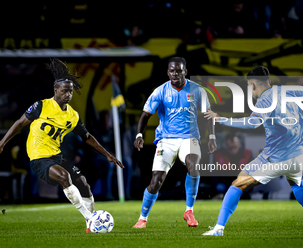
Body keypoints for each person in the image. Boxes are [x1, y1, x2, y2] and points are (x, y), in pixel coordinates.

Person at [202, 65, 303, 236]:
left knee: (237, 184)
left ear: (252, 85)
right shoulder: (289, 91)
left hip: (276, 158)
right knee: (296, 182)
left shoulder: (265, 101)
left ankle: (218, 229)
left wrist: (220, 119)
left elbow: (252, 123)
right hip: (298, 155)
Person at [0, 58, 124, 233]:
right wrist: (2, 142)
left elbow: (87, 137)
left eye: (71, 91)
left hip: (56, 155)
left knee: (83, 183)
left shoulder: (72, 115)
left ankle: (91, 221)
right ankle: (91, 220)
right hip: (39, 156)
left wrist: (107, 154)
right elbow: (20, 123)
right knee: (65, 177)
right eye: (65, 91)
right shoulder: (41, 106)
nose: (68, 94)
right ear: (55, 90)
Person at [132, 57, 217, 228]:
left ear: (185, 71)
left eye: (178, 70)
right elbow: (146, 114)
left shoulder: (198, 91)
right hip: (166, 140)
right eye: (172, 71)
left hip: (190, 138)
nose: (175, 74)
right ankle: (142, 218)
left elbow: (208, 115)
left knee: (193, 164)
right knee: (156, 181)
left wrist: (212, 137)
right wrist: (139, 135)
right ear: (167, 72)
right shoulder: (160, 91)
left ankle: (189, 211)